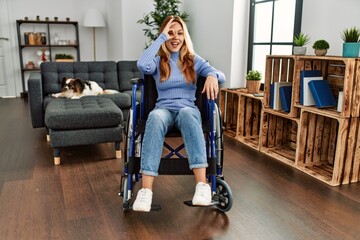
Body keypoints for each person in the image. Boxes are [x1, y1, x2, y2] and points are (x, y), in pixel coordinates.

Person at [133, 15, 225, 212]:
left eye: (180, 33)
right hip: (163, 109)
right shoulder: (158, 61)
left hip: (187, 109)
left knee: (187, 114)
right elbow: (142, 64)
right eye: (170, 33)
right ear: (164, 36)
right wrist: (161, 38)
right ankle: (146, 192)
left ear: (185, 36)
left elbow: (221, 75)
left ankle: (202, 186)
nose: (175, 37)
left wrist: (211, 75)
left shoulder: (192, 60)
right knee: (155, 117)